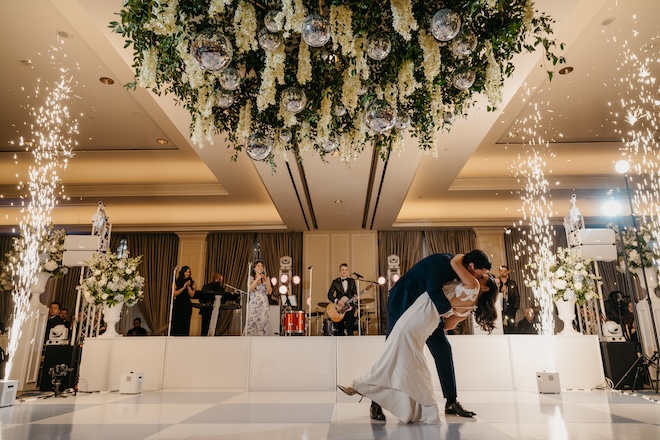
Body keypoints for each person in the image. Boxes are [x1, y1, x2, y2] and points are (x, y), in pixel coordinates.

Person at [338, 252, 497, 423]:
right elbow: (433, 289)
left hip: (427, 311)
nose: (480, 277)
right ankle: (376, 402)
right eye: (481, 273)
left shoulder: (462, 272)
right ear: (472, 266)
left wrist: (444, 320)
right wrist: (450, 313)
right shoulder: (444, 263)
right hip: (403, 300)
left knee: (443, 349)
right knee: (393, 347)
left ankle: (451, 401)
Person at [326, 263, 358, 336]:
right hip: (339, 309)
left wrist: (355, 297)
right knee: (340, 330)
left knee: (350, 329)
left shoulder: (352, 281)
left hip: (350, 308)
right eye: (342, 270)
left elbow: (354, 293)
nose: (344, 272)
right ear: (340, 271)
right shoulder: (335, 282)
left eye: (346, 270)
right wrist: (337, 301)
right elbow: (329, 295)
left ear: (348, 271)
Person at [244, 261, 273, 336]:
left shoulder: (266, 278)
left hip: (264, 303)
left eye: (262, 266)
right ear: (254, 268)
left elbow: (269, 292)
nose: (260, 267)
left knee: (263, 321)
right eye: (258, 266)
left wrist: (266, 281)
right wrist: (257, 279)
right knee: (253, 321)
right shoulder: (251, 278)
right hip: (254, 303)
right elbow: (250, 289)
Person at [171, 266, 196, 336]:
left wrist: (188, 287)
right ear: (183, 272)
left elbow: (192, 295)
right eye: (186, 271)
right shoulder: (176, 281)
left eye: (189, 272)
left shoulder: (192, 282)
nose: (188, 273)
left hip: (186, 305)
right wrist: (183, 288)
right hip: (178, 304)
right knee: (176, 323)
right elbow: (174, 294)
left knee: (185, 324)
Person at [497, 265, 519, 334]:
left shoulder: (512, 283)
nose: (503, 272)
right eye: (502, 271)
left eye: (505, 271)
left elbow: (517, 295)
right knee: (500, 324)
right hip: (500, 307)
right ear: (499, 272)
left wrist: (515, 307)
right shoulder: (497, 282)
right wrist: (500, 290)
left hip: (511, 307)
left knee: (511, 325)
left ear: (507, 272)